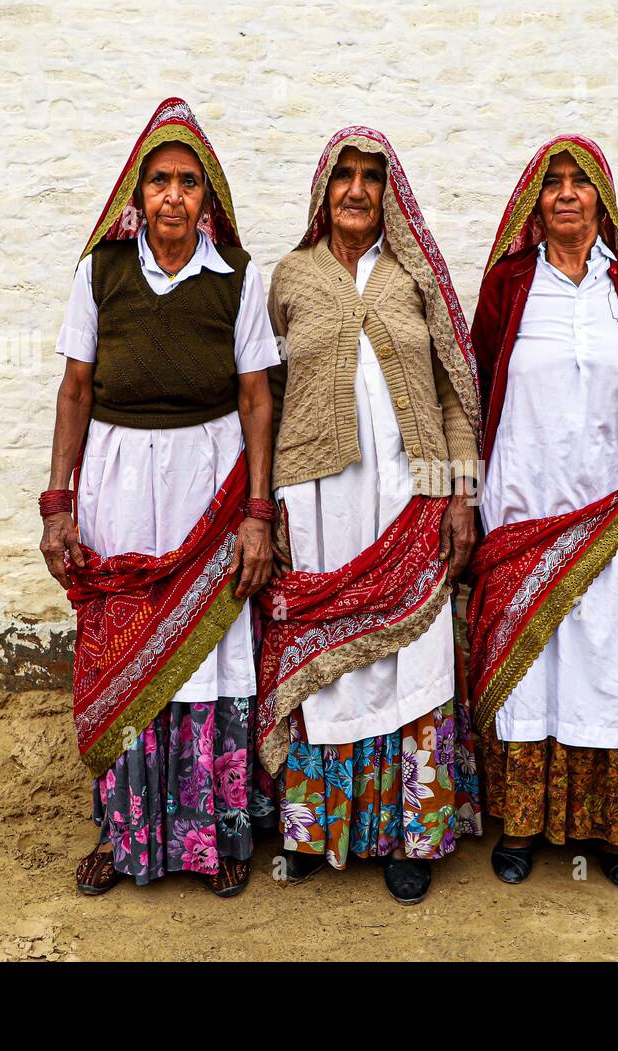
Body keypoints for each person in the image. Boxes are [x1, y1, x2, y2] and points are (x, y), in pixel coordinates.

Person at [39, 98, 278, 898]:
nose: (173, 196)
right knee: (125, 649)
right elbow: (75, 389)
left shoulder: (237, 279)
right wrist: (58, 503)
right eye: (159, 181)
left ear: (207, 200)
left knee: (212, 654)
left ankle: (218, 835)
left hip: (210, 487)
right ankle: (125, 831)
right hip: (118, 487)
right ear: (136, 197)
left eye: (187, 183)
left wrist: (257, 515)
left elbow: (256, 398)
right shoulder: (99, 273)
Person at [255, 127, 483, 904]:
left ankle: (408, 834)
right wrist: (267, 504)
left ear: (390, 193)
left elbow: (455, 387)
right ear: (323, 190)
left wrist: (461, 495)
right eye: (343, 176)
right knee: (332, 659)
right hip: (318, 500)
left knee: (412, 662)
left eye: (371, 178)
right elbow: (266, 394)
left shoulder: (414, 273)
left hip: (411, 498)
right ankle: (321, 828)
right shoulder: (289, 277)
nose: (357, 189)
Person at [468, 136, 618, 890]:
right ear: (534, 200)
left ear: (601, 198)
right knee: (534, 663)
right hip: (528, 502)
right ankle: (521, 824)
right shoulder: (510, 284)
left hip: (614, 508)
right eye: (551, 182)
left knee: (613, 660)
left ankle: (612, 831)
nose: (565, 194)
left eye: (578, 182)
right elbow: (480, 379)